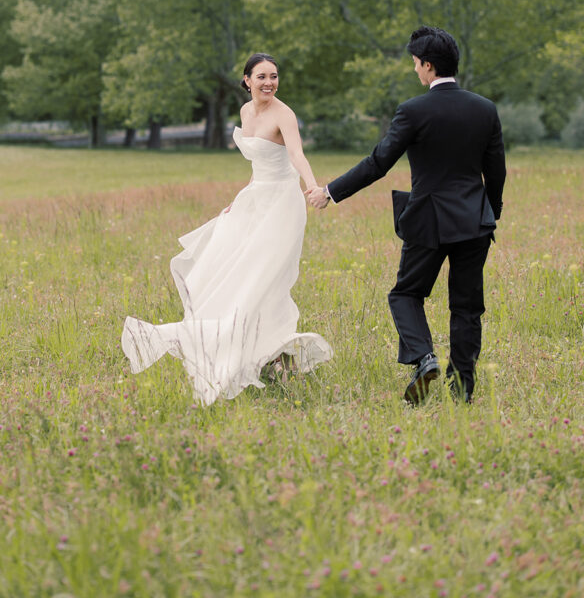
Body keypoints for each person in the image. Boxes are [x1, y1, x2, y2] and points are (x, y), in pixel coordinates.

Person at [307, 26, 505, 405]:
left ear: (428, 66)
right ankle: (462, 390)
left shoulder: (414, 111)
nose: (415, 70)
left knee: (405, 294)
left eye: (416, 64)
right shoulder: (485, 108)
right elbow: (496, 171)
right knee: (466, 307)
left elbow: (379, 162)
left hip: (428, 221)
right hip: (474, 222)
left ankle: (423, 358)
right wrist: (488, 213)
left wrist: (330, 192)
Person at [121, 53, 333, 406]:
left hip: (282, 205)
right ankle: (265, 356)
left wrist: (312, 187)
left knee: (266, 280)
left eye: (274, 76)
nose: (269, 83)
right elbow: (258, 165)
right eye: (262, 76)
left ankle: (270, 356)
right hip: (255, 200)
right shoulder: (246, 113)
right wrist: (240, 198)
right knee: (229, 273)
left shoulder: (285, 114)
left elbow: (296, 155)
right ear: (247, 80)